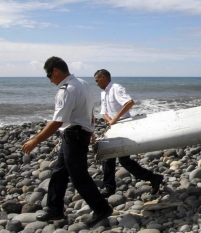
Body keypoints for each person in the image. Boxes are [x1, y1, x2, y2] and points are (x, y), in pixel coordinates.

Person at [22, 56, 112, 227]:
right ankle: (54, 208)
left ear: (56, 70)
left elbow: (57, 122)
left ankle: (101, 208)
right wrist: (90, 129)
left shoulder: (67, 89)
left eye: (49, 75)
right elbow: (89, 110)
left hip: (74, 135)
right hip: (77, 133)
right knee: (59, 172)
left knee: (78, 176)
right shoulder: (82, 84)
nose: (50, 80)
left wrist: (35, 140)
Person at [94, 69, 163, 197]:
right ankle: (153, 178)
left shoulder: (116, 88)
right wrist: (110, 121)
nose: (96, 84)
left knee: (118, 158)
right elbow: (104, 111)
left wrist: (115, 119)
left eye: (97, 81)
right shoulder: (103, 93)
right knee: (116, 158)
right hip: (114, 128)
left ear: (103, 78)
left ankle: (109, 188)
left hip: (124, 126)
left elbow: (129, 103)